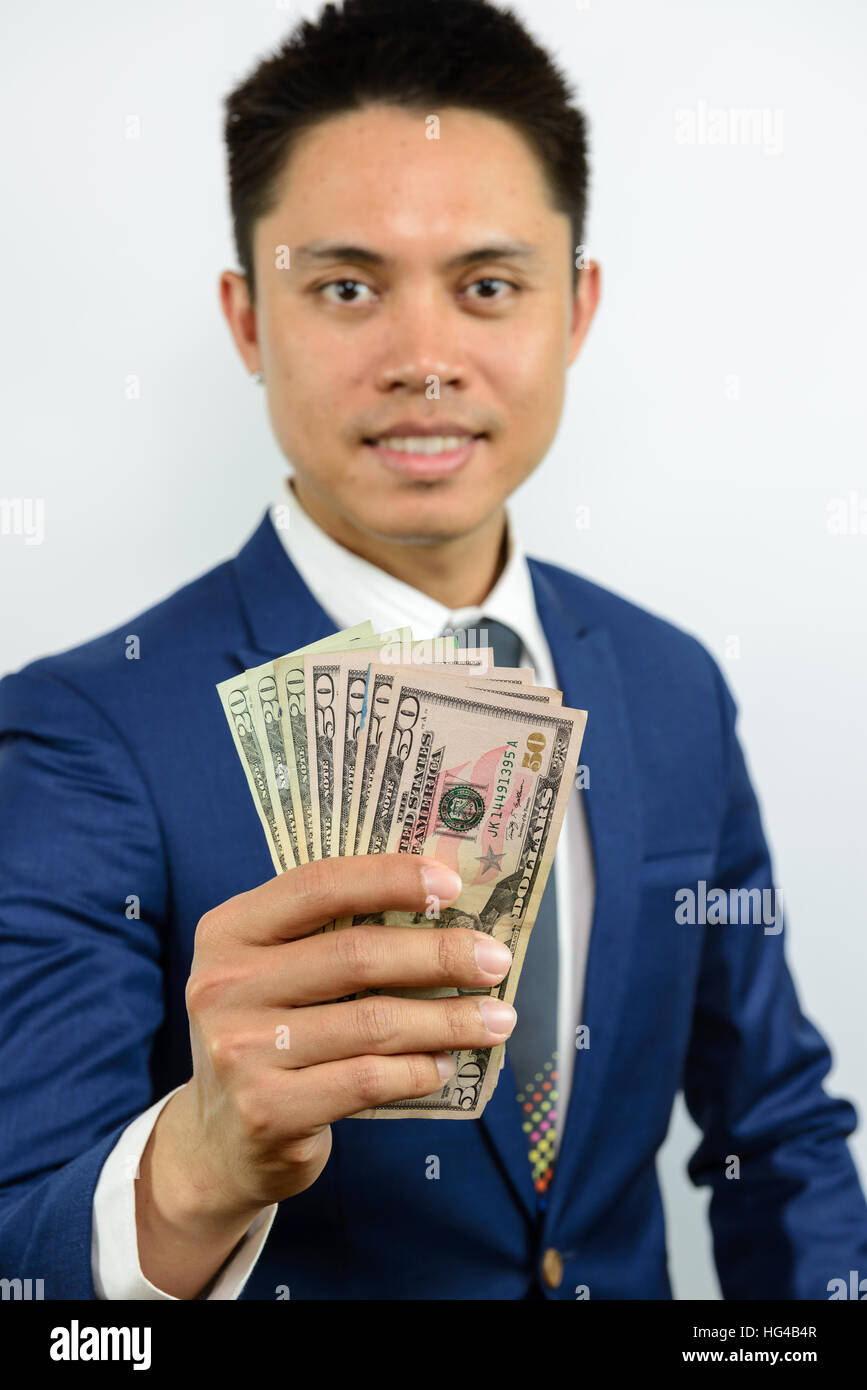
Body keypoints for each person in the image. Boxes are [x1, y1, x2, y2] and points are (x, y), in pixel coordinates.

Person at [1, 0, 865, 1301]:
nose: (423, 359)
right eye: (345, 287)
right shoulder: (79, 732)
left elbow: (778, 1126)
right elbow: (26, 1250)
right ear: (248, 320)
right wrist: (192, 1167)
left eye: (487, 286)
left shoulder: (672, 680)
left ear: (575, 308)